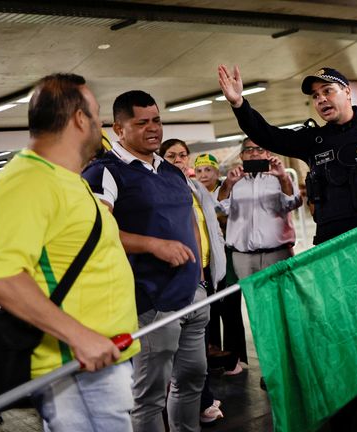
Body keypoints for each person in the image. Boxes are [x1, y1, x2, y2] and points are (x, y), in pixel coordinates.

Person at [0, 73, 140, 432]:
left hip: (100, 362)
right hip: (78, 368)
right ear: (80, 119)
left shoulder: (67, 178)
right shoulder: (28, 180)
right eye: (97, 115)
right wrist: (80, 337)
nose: (101, 126)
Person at [82, 90, 208, 432]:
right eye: (142, 123)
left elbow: (189, 222)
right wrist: (153, 245)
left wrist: (200, 276)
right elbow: (94, 234)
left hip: (192, 294)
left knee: (193, 378)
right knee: (149, 396)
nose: (153, 129)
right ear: (118, 129)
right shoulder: (103, 173)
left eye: (157, 120)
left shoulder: (172, 171)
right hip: (150, 302)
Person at [217, 65, 357, 244]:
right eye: (315, 95)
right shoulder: (313, 140)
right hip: (332, 245)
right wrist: (238, 104)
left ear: (347, 91)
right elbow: (267, 135)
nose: (321, 99)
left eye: (327, 90)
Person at [159, 140, 226, 424]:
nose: (177, 159)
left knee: (202, 341)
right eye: (171, 155)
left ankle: (202, 396)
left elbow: (215, 214)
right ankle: (202, 400)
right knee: (184, 348)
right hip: (183, 276)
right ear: (160, 158)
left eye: (182, 155)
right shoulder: (160, 185)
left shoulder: (196, 186)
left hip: (206, 270)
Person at [193, 152, 247, 375]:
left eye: (208, 170)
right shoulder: (193, 194)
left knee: (230, 307)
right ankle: (215, 355)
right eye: (199, 171)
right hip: (207, 258)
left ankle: (237, 357)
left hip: (228, 254)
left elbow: (223, 218)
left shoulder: (227, 190)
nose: (203, 175)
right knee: (210, 311)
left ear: (217, 172)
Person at [218, 138, 302, 277]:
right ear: (241, 156)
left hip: (278, 255)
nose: (254, 153)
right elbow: (219, 209)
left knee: (282, 297)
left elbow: (292, 204)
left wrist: (282, 177)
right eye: (249, 150)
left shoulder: (281, 178)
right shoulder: (233, 181)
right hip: (243, 258)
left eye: (260, 149)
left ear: (268, 154)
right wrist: (228, 184)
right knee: (252, 298)